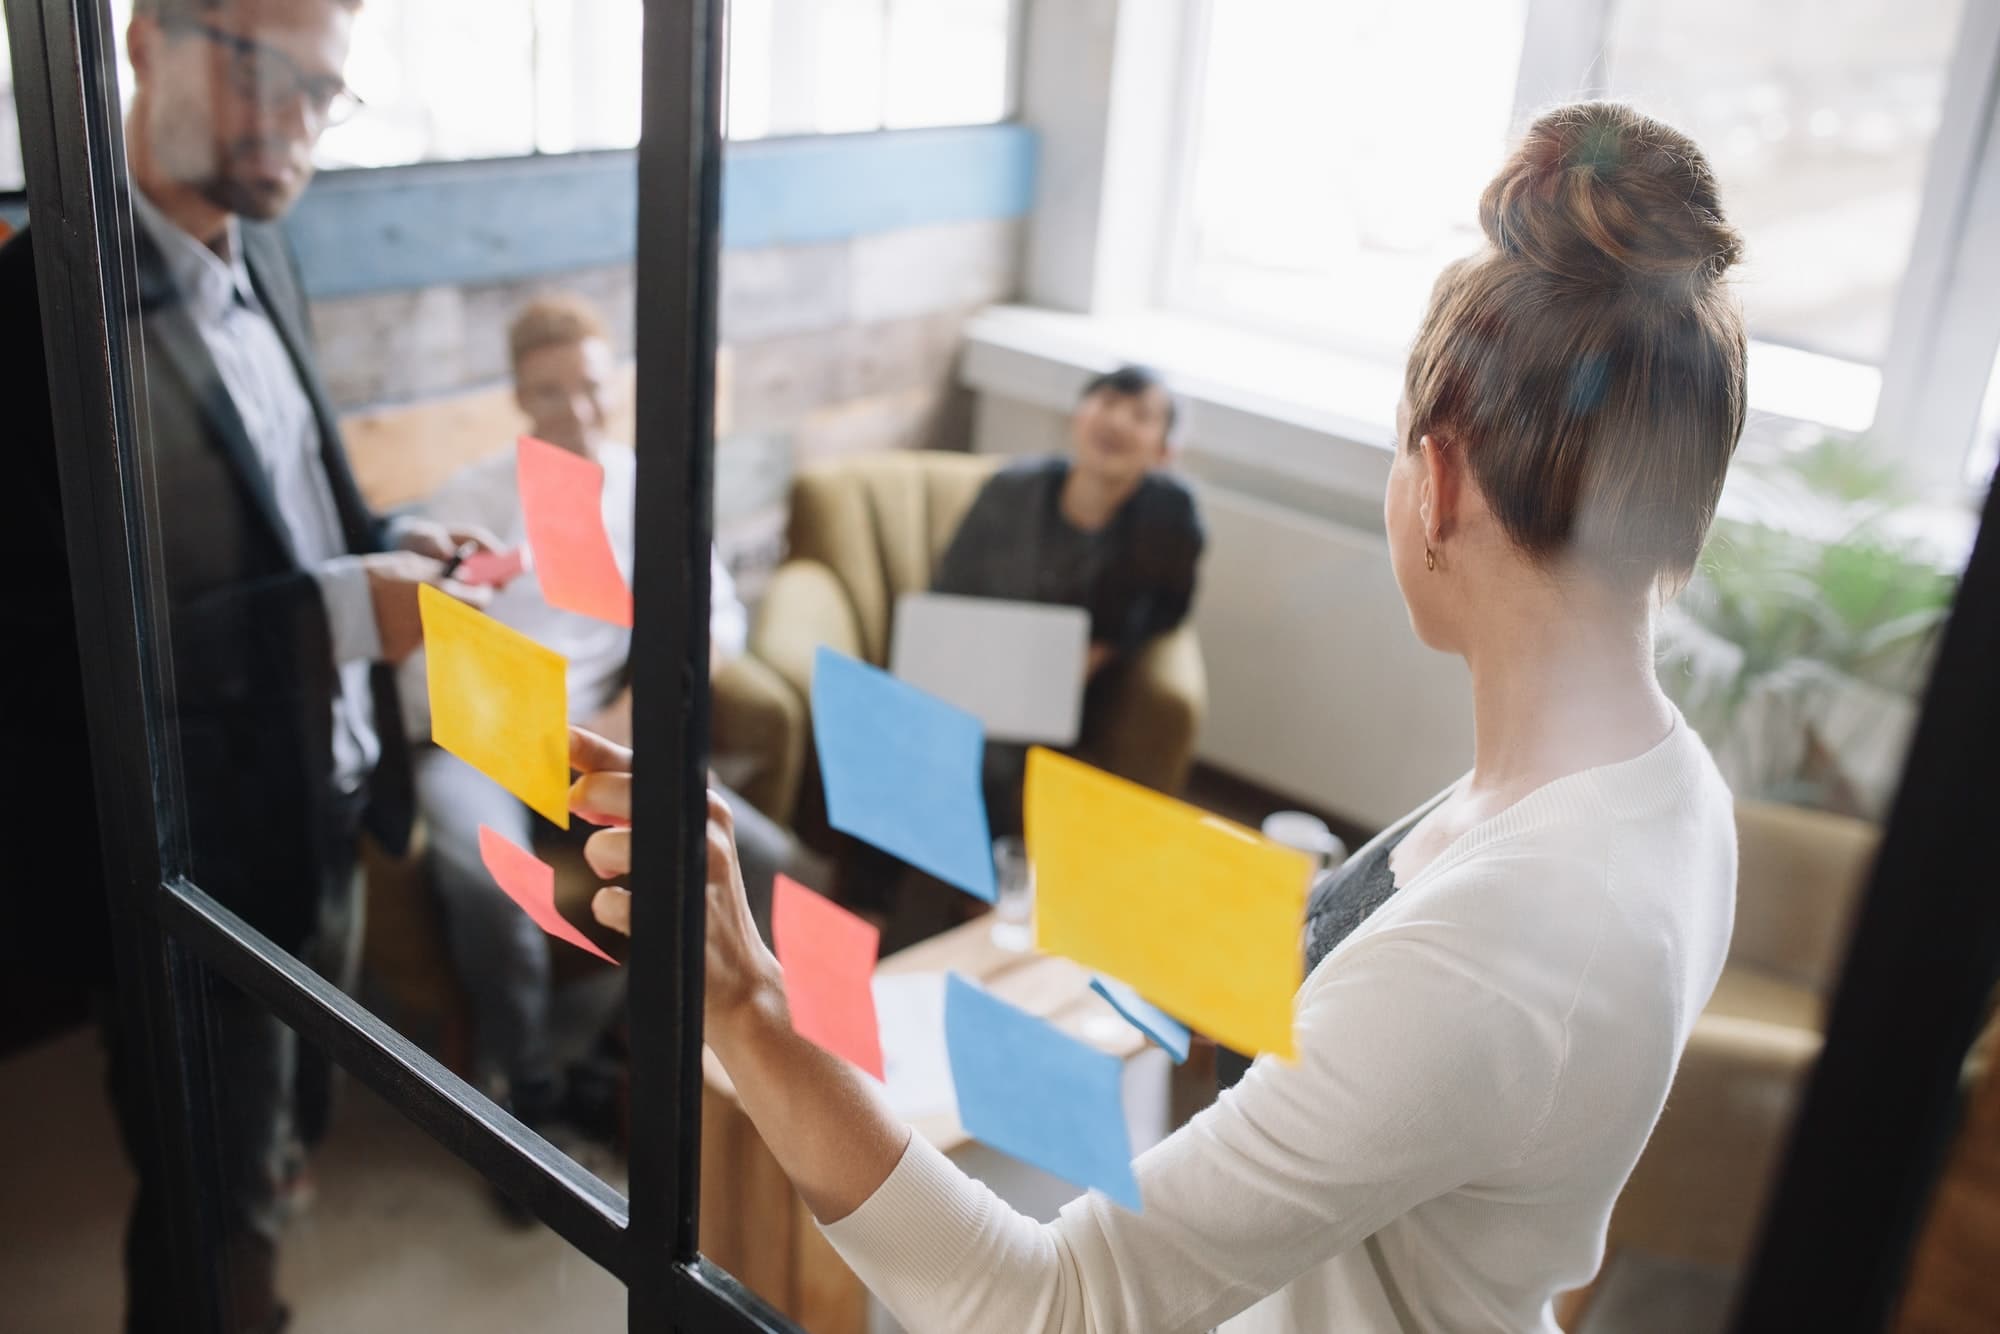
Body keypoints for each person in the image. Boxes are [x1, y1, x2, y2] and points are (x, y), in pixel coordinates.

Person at [571, 100, 1747, 1332]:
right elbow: (1451, 1047)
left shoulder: (1496, 952)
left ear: (1437, 479)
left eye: (1400, 451)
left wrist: (750, 1003)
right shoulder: (1665, 789)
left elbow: (1043, 1299)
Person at [0, 1, 492, 1328]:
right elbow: (58, 661)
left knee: (286, 1128)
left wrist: (390, 543)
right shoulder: (36, 306)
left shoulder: (266, 253)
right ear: (142, 40)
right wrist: (337, 611)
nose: (289, 115)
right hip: (191, 861)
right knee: (209, 1214)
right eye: (253, 65)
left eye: (322, 89)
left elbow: (288, 508)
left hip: (327, 807)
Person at [401, 292, 820, 1141]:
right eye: (550, 391)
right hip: (481, 743)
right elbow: (418, 669)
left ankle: (619, 1052)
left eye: (591, 386)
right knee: (495, 888)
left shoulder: (644, 487)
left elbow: (722, 622)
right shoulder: (470, 500)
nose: (578, 410)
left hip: (603, 730)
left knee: (769, 858)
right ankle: (522, 1092)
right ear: (520, 396)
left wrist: (637, 705)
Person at [932, 363, 1204, 832]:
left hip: (1082, 694)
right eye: (1107, 402)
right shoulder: (1011, 489)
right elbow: (949, 585)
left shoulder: (1171, 516)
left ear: (1164, 451)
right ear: (1076, 416)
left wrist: (1103, 650)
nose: (1116, 421)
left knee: (998, 754)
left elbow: (1170, 602)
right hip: (980, 659)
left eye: (1140, 414)